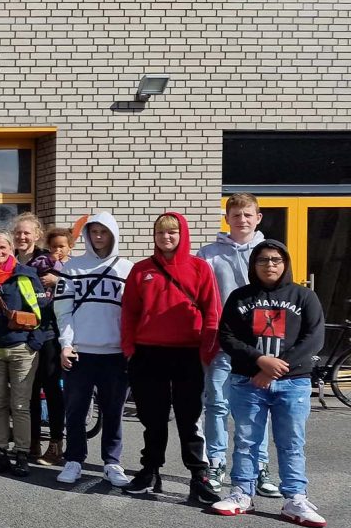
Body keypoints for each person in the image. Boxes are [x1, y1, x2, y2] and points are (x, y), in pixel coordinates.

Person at [210, 240, 328, 527]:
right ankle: (242, 493)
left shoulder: (304, 297)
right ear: (254, 265)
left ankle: (295, 499)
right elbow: (227, 337)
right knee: (246, 441)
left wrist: (274, 369)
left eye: (276, 259)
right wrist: (260, 361)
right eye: (263, 260)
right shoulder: (240, 297)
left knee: (291, 443)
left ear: (285, 263)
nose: (270, 265)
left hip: (293, 383)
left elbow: (313, 339)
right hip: (246, 380)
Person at [120, 212, 222, 502]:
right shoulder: (141, 270)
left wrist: (207, 351)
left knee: (189, 419)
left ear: (182, 235)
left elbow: (212, 312)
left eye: (172, 233)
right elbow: (129, 312)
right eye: (161, 233)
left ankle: (198, 476)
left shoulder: (199, 268)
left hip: (187, 354)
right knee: (152, 418)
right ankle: (149, 471)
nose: (167, 238)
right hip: (148, 353)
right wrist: (130, 350)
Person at [198, 193, 276, 496]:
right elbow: (201, 296)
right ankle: (215, 462)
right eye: (236, 215)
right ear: (227, 218)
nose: (242, 220)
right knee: (217, 404)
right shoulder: (209, 253)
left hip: (259, 346)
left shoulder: (268, 252)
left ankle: (259, 466)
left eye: (248, 215)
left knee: (257, 408)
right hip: (221, 342)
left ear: (257, 218)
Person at [53, 213, 134, 487]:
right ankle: (74, 460)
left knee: (114, 411)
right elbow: (63, 312)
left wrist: (130, 348)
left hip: (115, 354)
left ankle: (112, 463)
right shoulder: (73, 267)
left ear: (113, 234)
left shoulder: (127, 269)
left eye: (104, 232)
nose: (98, 237)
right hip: (80, 353)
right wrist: (66, 345)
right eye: (94, 231)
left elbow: (133, 315)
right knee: (75, 410)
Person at [0, 230, 44, 477]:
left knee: (20, 405)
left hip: (22, 349)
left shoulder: (26, 274)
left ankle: (22, 455)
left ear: (11, 249)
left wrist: (33, 343)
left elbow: (44, 311)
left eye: (2, 248)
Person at [30, 226, 71, 465]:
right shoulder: (39, 263)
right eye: (54, 246)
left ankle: (56, 444)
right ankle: (33, 441)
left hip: (55, 337)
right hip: (34, 334)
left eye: (62, 247)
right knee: (32, 391)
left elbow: (76, 288)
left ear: (70, 247)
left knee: (53, 389)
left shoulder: (72, 269)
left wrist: (58, 280)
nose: (57, 251)